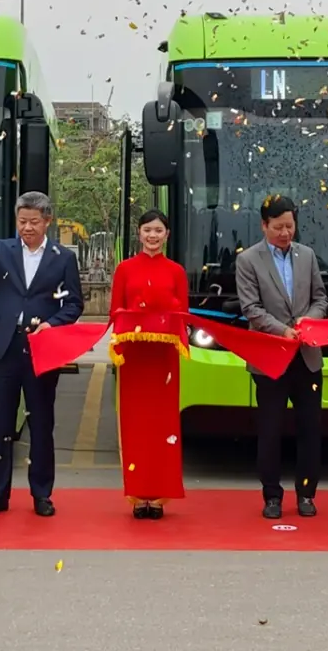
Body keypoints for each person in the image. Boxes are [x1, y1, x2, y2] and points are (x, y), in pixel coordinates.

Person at [0, 191, 84, 517]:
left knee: (41, 421)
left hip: (40, 348)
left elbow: (74, 303)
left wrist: (52, 323)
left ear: (47, 221)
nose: (27, 228)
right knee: (0, 421)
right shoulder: (0, 249)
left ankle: (42, 494)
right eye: (22, 221)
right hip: (3, 347)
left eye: (34, 222)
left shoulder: (63, 257)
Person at [237, 194, 328, 519]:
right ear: (264, 225)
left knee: (310, 430)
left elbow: (321, 298)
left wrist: (308, 322)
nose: (286, 233)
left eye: (290, 226)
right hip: (270, 359)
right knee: (270, 430)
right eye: (278, 227)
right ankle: (272, 496)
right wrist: (283, 330)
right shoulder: (248, 260)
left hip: (307, 357)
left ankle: (306, 494)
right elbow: (251, 308)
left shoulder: (307, 255)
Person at [107, 209, 189, 519]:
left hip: (163, 359)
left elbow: (183, 315)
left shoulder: (176, 272)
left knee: (163, 424)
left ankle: (158, 496)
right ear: (139, 234)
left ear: (167, 235)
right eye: (147, 230)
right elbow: (116, 312)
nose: (152, 236)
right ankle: (138, 494)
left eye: (158, 230)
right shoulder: (125, 269)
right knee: (136, 425)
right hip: (134, 358)